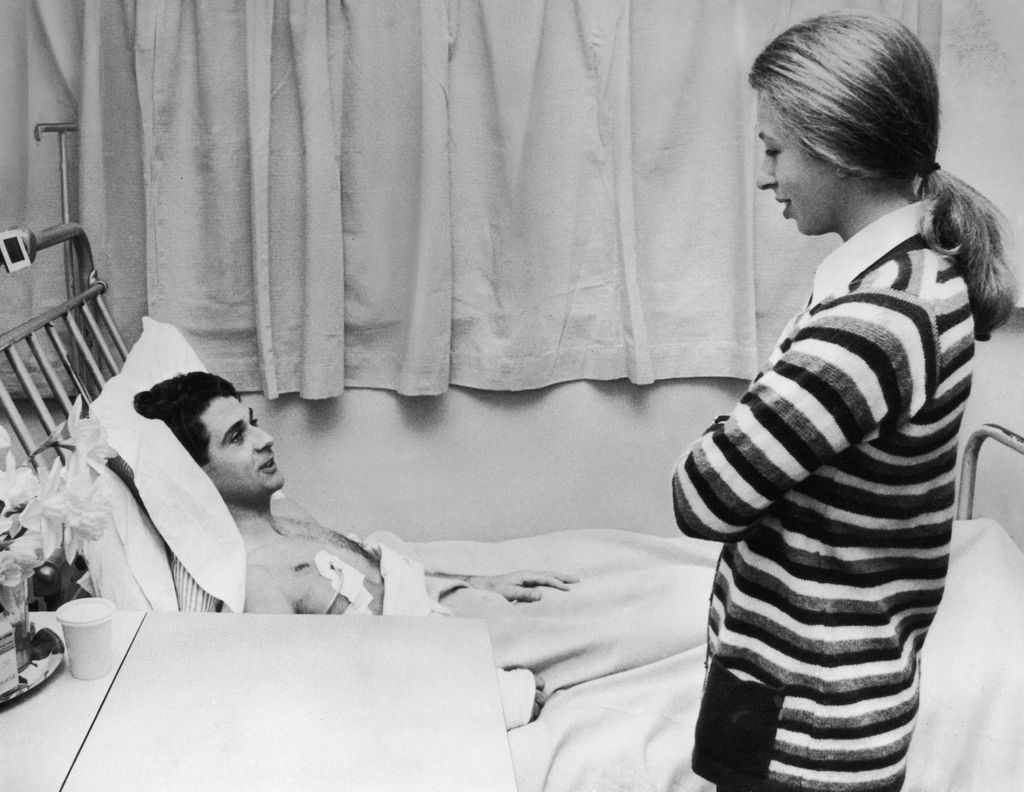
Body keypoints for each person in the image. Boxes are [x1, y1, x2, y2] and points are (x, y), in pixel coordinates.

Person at [671, 10, 1017, 792]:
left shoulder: (873, 324)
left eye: (774, 150)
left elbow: (701, 496)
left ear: (836, 147)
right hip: (794, 681)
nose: (765, 177)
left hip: (804, 718)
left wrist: (728, 427)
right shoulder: (916, 277)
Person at [134, 370, 579, 728]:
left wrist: (477, 582)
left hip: (453, 617)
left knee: (610, 579)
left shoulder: (286, 514)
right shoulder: (258, 584)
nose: (264, 438)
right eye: (236, 437)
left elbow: (375, 577)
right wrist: (487, 701)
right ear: (195, 478)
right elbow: (327, 712)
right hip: (449, 667)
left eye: (251, 421)